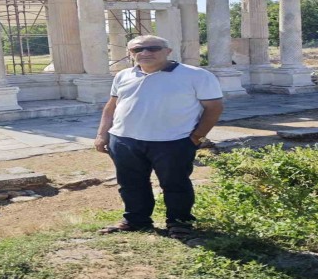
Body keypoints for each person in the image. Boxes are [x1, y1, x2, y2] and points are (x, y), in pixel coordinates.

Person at [94, 35, 224, 240]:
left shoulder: (196, 75)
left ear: (168, 51)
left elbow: (214, 108)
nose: (145, 53)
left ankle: (179, 223)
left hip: (173, 141)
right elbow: (111, 107)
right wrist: (102, 134)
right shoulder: (123, 75)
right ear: (130, 53)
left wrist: (197, 137)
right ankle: (136, 220)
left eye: (153, 48)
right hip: (124, 140)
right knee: (130, 183)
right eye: (137, 50)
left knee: (175, 184)